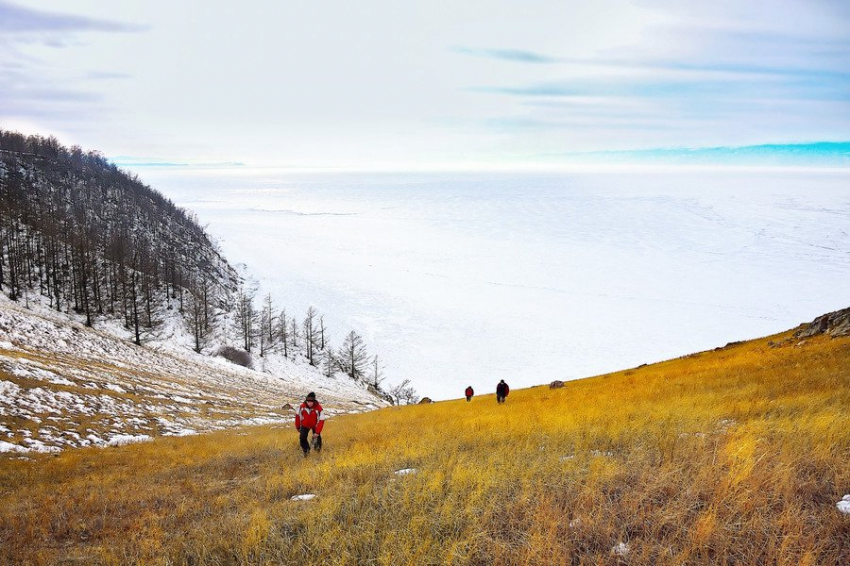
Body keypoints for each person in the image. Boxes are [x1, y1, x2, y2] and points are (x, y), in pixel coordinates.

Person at [294, 392, 324, 456]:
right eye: (308, 402)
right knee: (302, 438)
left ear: (314, 401)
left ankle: (317, 452)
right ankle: (306, 452)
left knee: (317, 439)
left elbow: (321, 420)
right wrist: (298, 427)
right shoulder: (301, 407)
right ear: (306, 401)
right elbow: (297, 417)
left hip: (315, 425)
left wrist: (317, 432)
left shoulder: (319, 408)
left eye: (311, 402)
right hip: (305, 425)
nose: (309, 403)